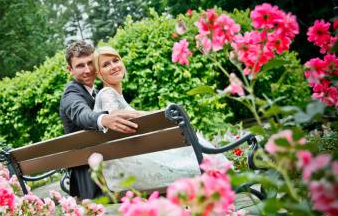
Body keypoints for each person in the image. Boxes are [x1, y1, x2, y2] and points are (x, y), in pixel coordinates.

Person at [93, 46, 228, 192]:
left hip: (127, 166)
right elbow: (116, 117)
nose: (113, 66)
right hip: (129, 169)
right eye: (106, 65)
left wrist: (159, 114)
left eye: (115, 60)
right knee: (191, 142)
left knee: (187, 143)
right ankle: (222, 178)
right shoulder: (107, 93)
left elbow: (133, 114)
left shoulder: (114, 95)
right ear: (99, 74)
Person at [59, 41, 141, 199]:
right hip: (89, 176)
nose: (88, 70)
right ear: (70, 69)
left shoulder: (97, 93)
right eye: (80, 65)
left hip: (107, 166)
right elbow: (81, 114)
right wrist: (104, 119)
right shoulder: (71, 94)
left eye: (90, 63)